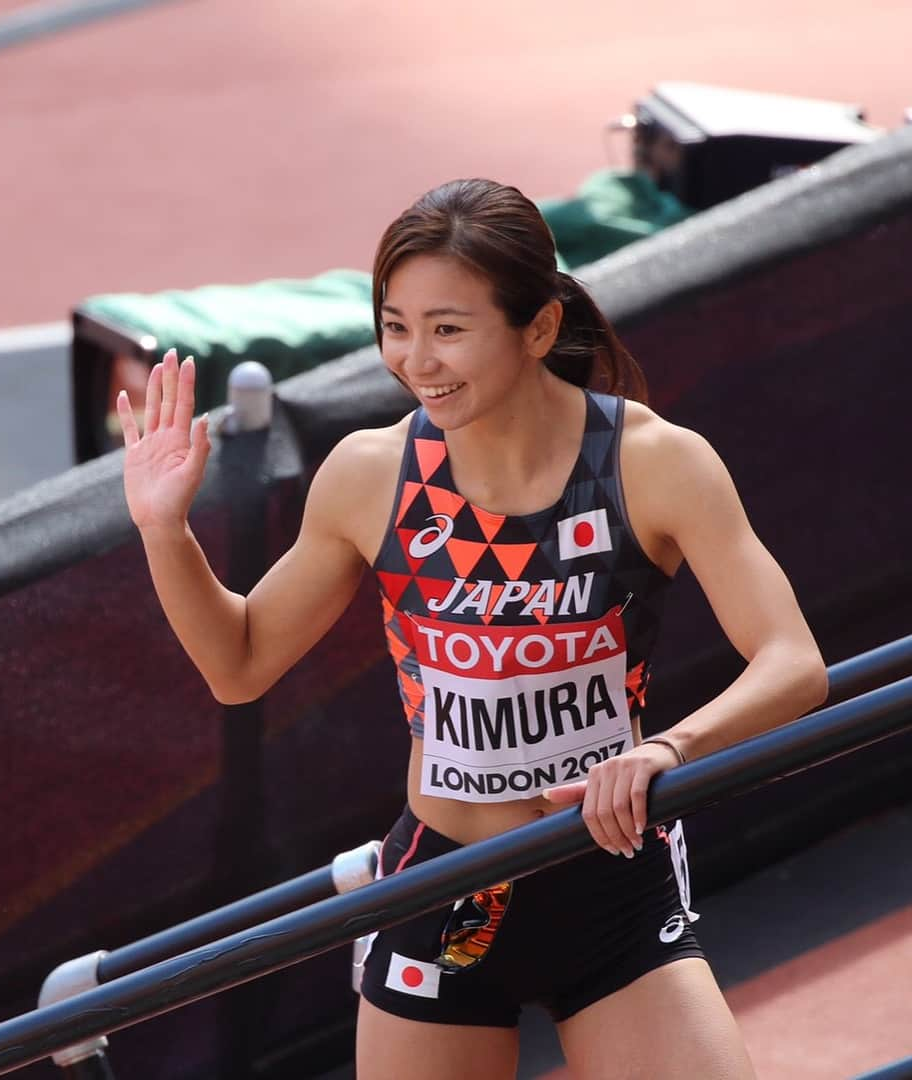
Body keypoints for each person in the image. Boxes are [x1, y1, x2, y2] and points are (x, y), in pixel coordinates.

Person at [116, 178, 827, 1080]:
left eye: (448, 328)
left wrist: (669, 752)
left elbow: (794, 663)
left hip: (609, 871)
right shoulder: (370, 475)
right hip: (440, 887)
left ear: (537, 328)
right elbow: (240, 663)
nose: (418, 360)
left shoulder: (654, 463)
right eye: (396, 325)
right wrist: (163, 529)